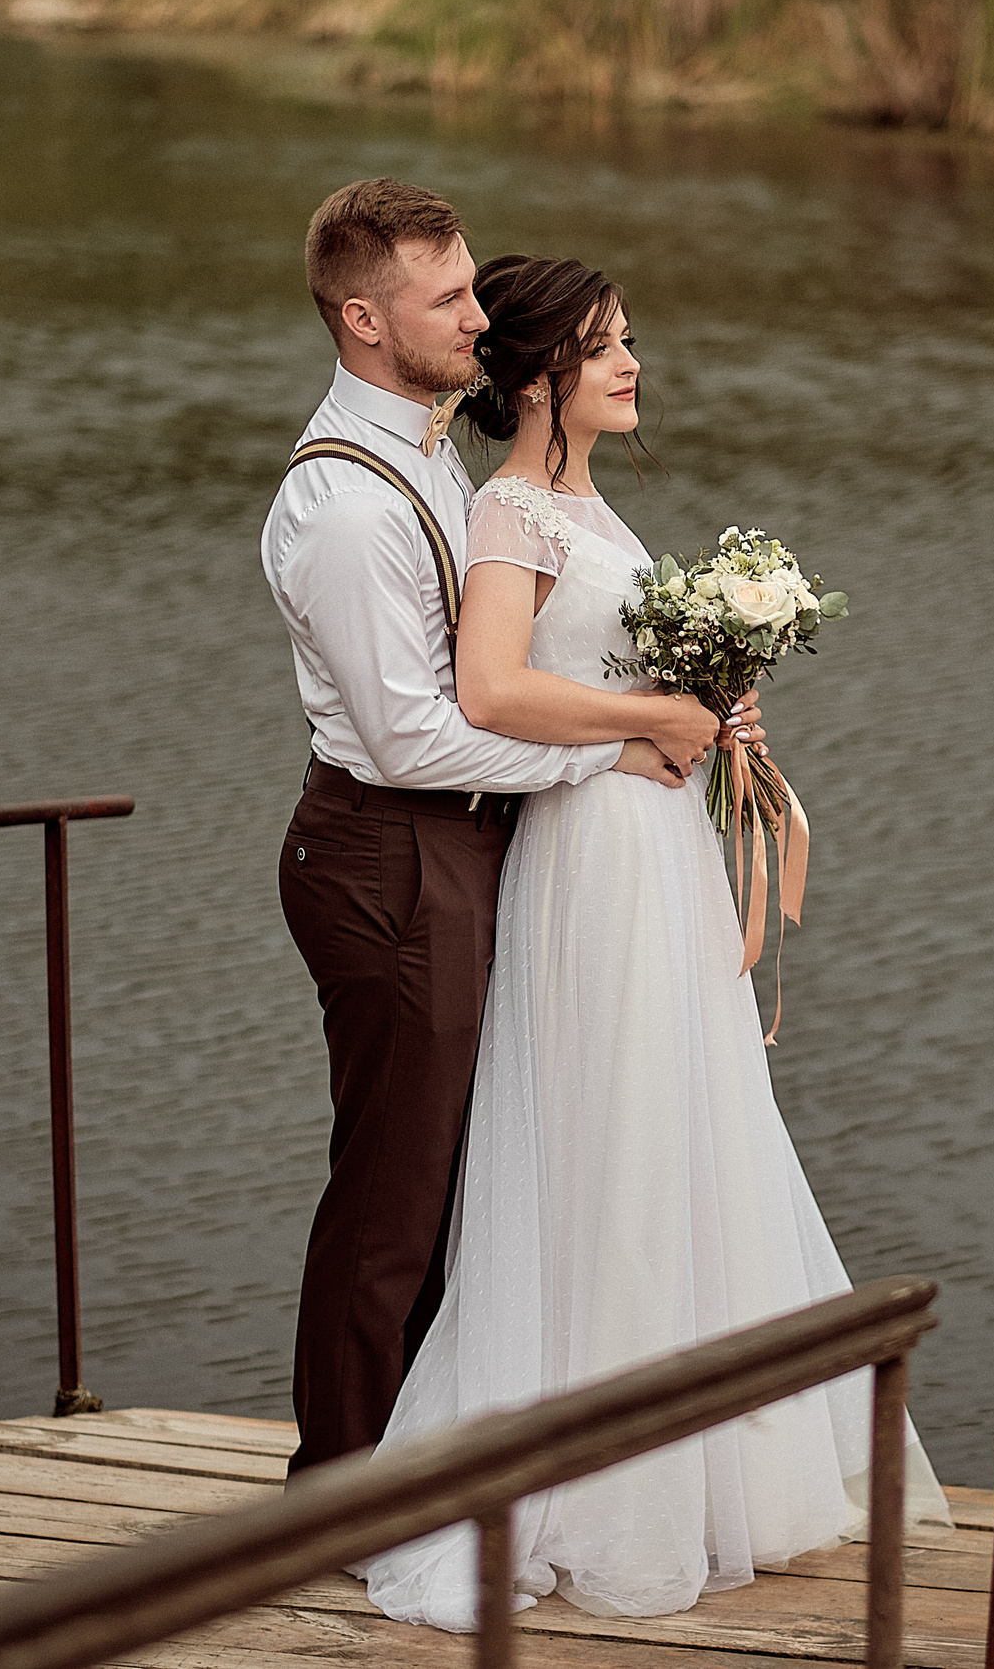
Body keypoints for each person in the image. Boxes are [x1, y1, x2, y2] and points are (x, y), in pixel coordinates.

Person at [352, 253, 952, 1631]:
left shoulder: (583, 503)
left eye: (629, 342)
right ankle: (603, 1478)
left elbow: (592, 672)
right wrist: (650, 724)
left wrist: (705, 704)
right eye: (608, 346)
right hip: (597, 859)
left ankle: (708, 1463)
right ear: (542, 370)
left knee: (685, 1122)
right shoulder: (513, 511)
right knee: (611, 1130)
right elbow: (490, 686)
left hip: (657, 849)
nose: (633, 365)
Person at [262, 179, 742, 1480]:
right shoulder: (347, 506)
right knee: (393, 1193)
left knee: (455, 1177)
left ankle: (423, 1451)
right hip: (385, 850)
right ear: (364, 320)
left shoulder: (428, 444)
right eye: (450, 298)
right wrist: (614, 745)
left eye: (476, 288)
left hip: (450, 844)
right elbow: (418, 733)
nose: (480, 318)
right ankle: (341, 1486)